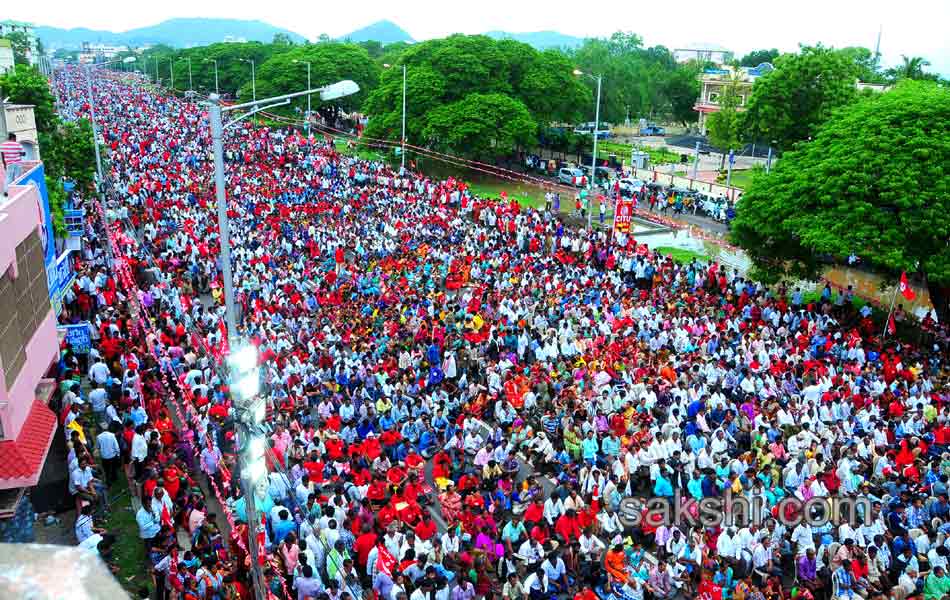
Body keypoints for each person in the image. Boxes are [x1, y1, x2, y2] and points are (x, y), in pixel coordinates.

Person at [1, 132, 24, 197]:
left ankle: (6, 192)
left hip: (9, 163)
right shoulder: (17, 144)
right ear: (13, 138)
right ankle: (16, 191)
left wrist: (4, 164)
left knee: (8, 177)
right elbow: (23, 153)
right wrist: (18, 153)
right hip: (17, 163)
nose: (15, 140)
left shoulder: (3, 145)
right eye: (15, 138)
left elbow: (2, 155)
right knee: (17, 177)